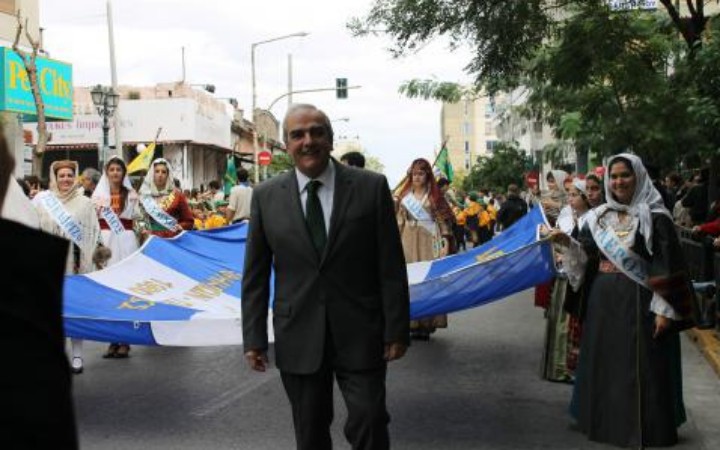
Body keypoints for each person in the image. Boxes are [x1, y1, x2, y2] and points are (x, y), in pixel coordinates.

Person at [242, 104, 409, 450]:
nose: (308, 141)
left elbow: (390, 265)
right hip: (298, 333)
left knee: (370, 420)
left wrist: (396, 329)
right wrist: (253, 337)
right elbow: (255, 274)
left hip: (361, 331)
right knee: (310, 433)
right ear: (286, 145)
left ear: (331, 140)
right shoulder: (266, 196)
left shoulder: (371, 187)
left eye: (317, 132)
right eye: (297, 135)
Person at [554, 154, 695, 448]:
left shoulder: (655, 217)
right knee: (607, 360)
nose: (619, 182)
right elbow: (586, 257)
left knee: (643, 362)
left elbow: (667, 264)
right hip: (603, 298)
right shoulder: (597, 217)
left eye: (625, 175)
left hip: (642, 299)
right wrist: (567, 243)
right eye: (614, 176)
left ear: (638, 177)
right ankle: (606, 422)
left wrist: (664, 310)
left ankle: (646, 427)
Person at [34, 160, 105, 374]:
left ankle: (77, 355)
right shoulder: (43, 201)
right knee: (53, 311)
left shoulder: (84, 203)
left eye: (69, 175)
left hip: (76, 264)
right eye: (62, 175)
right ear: (54, 178)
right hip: (50, 264)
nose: (66, 179)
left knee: (74, 310)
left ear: (75, 178)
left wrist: (99, 253)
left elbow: (94, 232)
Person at [396, 158, 455, 340]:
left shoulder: (434, 197)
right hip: (407, 240)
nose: (417, 177)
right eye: (414, 174)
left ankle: (427, 323)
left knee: (429, 280)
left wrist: (445, 241)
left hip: (430, 240)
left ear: (427, 175)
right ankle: (412, 322)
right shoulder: (404, 197)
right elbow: (399, 221)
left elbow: (443, 222)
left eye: (421, 173)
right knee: (410, 281)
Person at [540, 179, 591, 383]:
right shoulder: (565, 214)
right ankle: (556, 368)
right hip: (562, 273)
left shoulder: (591, 219)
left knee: (570, 322)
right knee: (558, 321)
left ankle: (570, 368)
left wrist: (567, 251)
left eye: (574, 195)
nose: (570, 198)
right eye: (568, 194)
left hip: (579, 275)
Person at [91, 156, 141, 359]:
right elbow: (92, 221)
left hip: (126, 241)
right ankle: (112, 339)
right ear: (106, 172)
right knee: (108, 290)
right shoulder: (98, 195)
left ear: (123, 173)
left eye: (118, 170)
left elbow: (138, 220)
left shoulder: (132, 195)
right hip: (106, 242)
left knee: (125, 289)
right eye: (111, 169)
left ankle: (125, 340)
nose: (115, 173)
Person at [137, 158, 194, 239]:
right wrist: (142, 229)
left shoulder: (178, 196)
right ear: (152, 174)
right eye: (157, 171)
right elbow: (138, 219)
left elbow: (189, 221)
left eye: (163, 172)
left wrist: (181, 226)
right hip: (151, 239)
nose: (160, 175)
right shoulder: (144, 196)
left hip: (171, 239)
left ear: (168, 175)